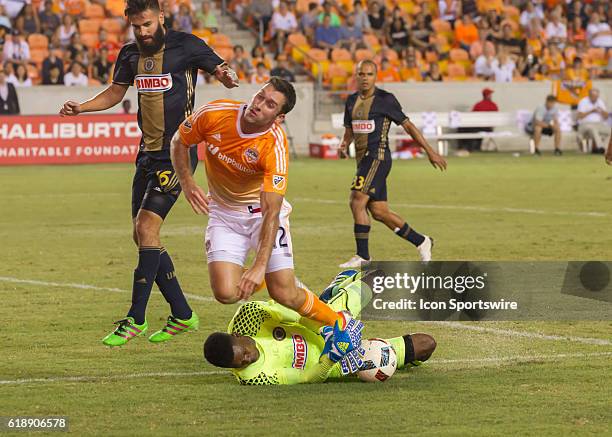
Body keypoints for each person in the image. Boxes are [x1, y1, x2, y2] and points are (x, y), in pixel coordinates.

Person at [59, 0, 239, 347]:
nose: (142, 32)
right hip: (146, 155)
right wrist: (82, 107)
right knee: (142, 236)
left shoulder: (187, 45)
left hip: (177, 153)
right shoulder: (129, 54)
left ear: (160, 17)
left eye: (146, 25)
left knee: (146, 227)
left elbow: (220, 68)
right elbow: (115, 91)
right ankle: (183, 313)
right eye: (135, 27)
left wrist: (226, 75)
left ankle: (135, 319)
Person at [170, 78, 362, 338]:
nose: (258, 104)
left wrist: (259, 265)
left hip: (261, 215)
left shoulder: (274, 145)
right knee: (226, 293)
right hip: (224, 214)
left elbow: (272, 210)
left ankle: (339, 322)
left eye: (269, 104)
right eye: (260, 96)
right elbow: (179, 141)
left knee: (283, 292)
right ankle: (274, 277)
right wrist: (187, 182)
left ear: (279, 117)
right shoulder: (215, 113)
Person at [204, 270, 436, 385]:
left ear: (237, 334)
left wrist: (330, 329)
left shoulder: (250, 316)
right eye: (240, 364)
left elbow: (297, 313)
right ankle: (382, 351)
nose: (246, 359)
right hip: (335, 361)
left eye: (242, 353)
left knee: (378, 278)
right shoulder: (254, 377)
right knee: (426, 344)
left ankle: (328, 297)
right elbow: (307, 378)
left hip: (325, 323)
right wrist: (332, 356)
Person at [338, 60, 447, 268]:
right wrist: (344, 145)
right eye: (361, 74)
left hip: (377, 157)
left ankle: (363, 256)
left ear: (375, 76)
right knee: (379, 212)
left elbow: (408, 126)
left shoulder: (385, 100)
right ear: (356, 76)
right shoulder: (351, 101)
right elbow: (349, 131)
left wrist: (430, 151)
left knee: (356, 200)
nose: (365, 78)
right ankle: (422, 241)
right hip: (363, 161)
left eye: (369, 74)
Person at [577, 88, 610, 154]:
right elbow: (580, 116)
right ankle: (600, 147)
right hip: (585, 124)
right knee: (593, 129)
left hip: (599, 123)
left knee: (609, 131)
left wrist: (601, 111)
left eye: (596, 96)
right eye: (593, 96)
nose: (595, 98)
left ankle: (604, 148)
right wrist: (591, 111)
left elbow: (606, 117)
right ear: (589, 95)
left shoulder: (600, 102)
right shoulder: (583, 101)